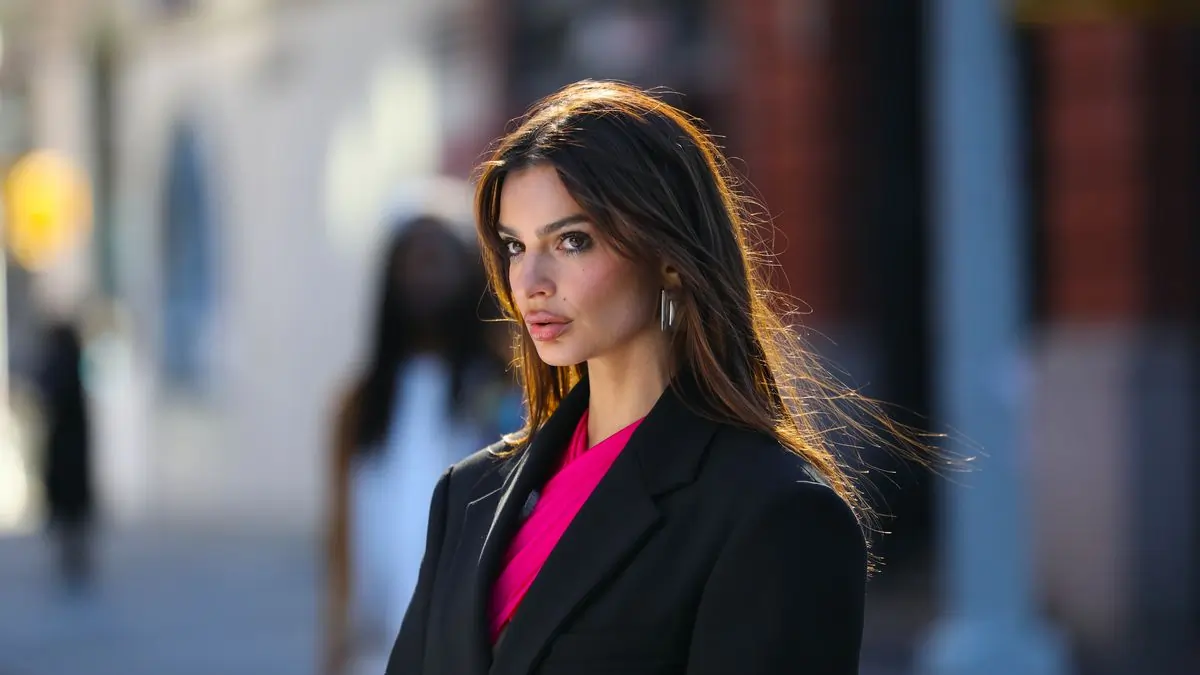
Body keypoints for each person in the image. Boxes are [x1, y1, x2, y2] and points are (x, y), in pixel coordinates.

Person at [386, 81, 926, 675]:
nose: (530, 281)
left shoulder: (775, 512)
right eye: (515, 246)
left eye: (572, 241)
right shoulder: (468, 496)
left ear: (668, 258)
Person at [324, 213, 517, 675]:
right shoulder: (360, 405)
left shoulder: (501, 392)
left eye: (438, 259)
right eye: (413, 261)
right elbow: (339, 540)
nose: (425, 275)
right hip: (374, 653)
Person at [37, 320, 95, 593]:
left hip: (66, 449)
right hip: (70, 449)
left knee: (70, 508)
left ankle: (73, 557)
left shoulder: (63, 366)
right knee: (72, 510)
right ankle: (73, 557)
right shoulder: (72, 366)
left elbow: (48, 393)